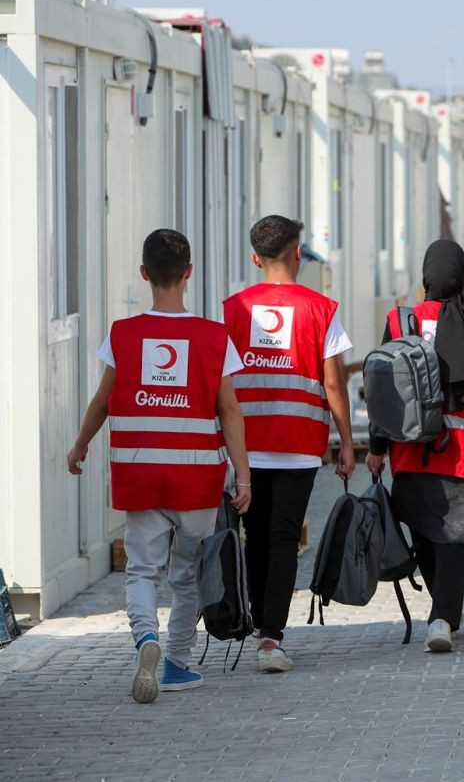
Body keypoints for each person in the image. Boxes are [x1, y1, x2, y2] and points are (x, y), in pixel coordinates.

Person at [66, 229, 252, 703]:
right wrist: (243, 474)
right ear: (188, 274)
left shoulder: (123, 335)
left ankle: (145, 639)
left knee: (142, 571)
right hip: (196, 482)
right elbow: (229, 410)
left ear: (144, 274)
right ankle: (175, 662)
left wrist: (80, 446)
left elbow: (102, 402)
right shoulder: (214, 337)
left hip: (141, 475)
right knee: (187, 573)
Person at [367, 240, 464, 653]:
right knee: (452, 539)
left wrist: (377, 448)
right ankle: (444, 617)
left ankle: (442, 613)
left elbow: (382, 390)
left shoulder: (401, 322)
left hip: (411, 451)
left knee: (424, 532)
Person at [222, 216, 356, 673]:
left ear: (255, 257)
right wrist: (346, 443)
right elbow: (334, 384)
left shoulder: (232, 309)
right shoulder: (321, 308)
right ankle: (270, 637)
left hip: (245, 444)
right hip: (299, 442)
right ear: (298, 253)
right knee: (283, 538)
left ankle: (259, 622)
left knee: (254, 537)